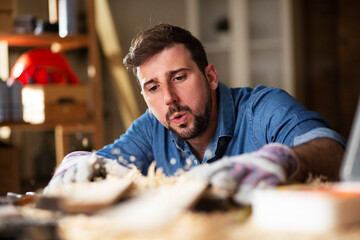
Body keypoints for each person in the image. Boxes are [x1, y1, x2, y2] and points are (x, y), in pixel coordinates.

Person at [45, 24, 346, 204]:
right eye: (152, 87)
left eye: (179, 77)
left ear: (211, 77)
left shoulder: (263, 108)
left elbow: (333, 152)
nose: (169, 99)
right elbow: (106, 162)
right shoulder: (152, 127)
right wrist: (77, 164)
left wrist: (281, 160)